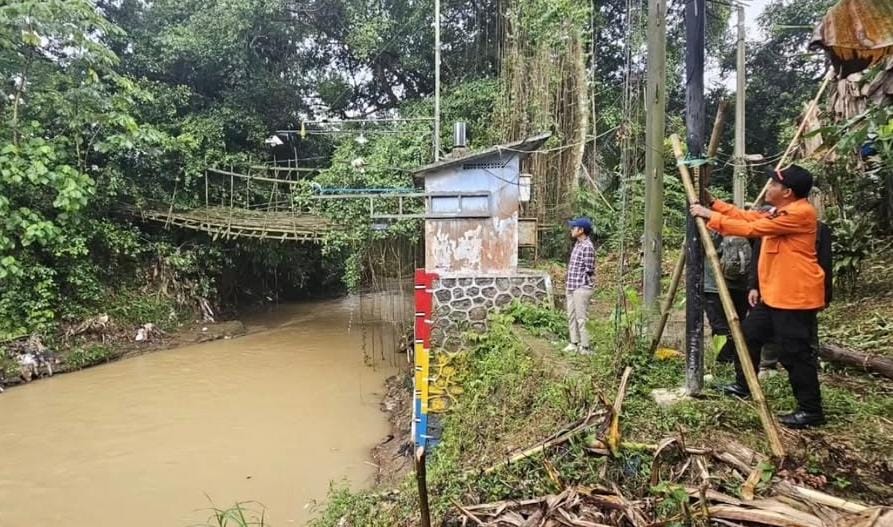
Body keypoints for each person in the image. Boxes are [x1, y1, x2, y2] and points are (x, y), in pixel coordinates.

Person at [690, 165, 826, 428]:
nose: (769, 187)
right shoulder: (780, 210)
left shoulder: (799, 214)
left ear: (787, 192)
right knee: (748, 336)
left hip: (794, 298)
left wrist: (709, 216)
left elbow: (751, 229)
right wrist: (714, 204)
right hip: (775, 296)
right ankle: (744, 385)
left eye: (774, 184)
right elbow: (749, 217)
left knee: (795, 354)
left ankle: (811, 410)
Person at [704, 232, 751, 364]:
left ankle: (734, 360)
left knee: (737, 326)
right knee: (721, 328)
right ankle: (724, 361)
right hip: (716, 283)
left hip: (739, 281)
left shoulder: (747, 222)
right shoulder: (705, 222)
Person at [564, 217, 596, 355]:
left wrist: (583, 285)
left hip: (581, 287)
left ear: (581, 230)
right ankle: (574, 343)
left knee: (581, 318)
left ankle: (585, 346)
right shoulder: (578, 244)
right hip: (571, 285)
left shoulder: (587, 247)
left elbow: (590, 270)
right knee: (571, 316)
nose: (571, 230)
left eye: (574, 227)